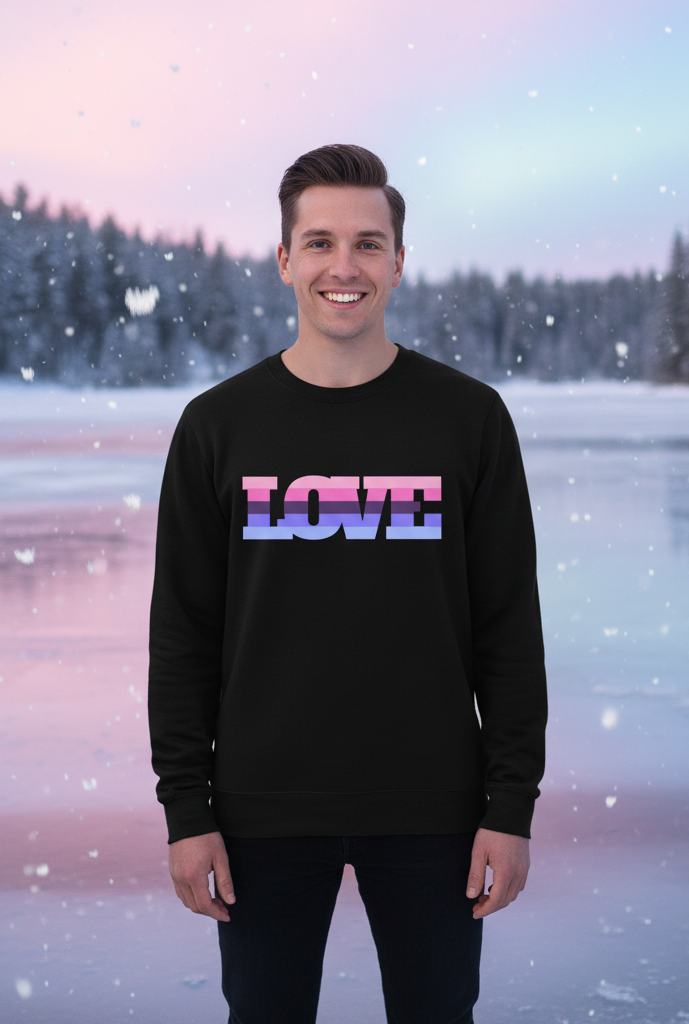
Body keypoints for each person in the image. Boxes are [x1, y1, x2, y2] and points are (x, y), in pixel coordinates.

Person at [148, 144, 548, 1024]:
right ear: (285, 258)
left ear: (399, 262)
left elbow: (508, 629)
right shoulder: (217, 428)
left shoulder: (468, 420)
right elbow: (184, 635)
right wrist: (188, 810)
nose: (345, 266)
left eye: (369, 244)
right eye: (320, 241)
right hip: (260, 811)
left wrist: (510, 805)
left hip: (435, 809)